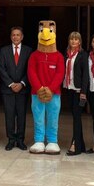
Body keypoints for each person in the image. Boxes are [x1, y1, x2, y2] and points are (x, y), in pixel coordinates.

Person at [28, 20, 65, 154]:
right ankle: (38, 140)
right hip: (36, 93)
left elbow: (60, 74)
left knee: (53, 117)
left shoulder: (59, 56)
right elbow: (31, 72)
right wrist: (39, 88)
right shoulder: (34, 56)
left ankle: (52, 141)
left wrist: (51, 89)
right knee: (38, 117)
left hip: (54, 94)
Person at [0, 26, 32, 150]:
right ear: (10, 36)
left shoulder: (28, 51)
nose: (15, 37)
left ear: (22, 37)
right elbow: (1, 69)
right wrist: (11, 84)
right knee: (9, 115)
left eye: (18, 35)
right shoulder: (4, 50)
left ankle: (20, 140)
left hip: (23, 89)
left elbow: (30, 69)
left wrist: (22, 83)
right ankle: (11, 140)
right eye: (13, 35)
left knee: (21, 115)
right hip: (8, 89)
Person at [63, 31, 89, 156]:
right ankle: (81, 145)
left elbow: (85, 75)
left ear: (80, 41)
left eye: (76, 39)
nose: (73, 41)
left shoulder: (83, 55)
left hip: (78, 90)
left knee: (77, 118)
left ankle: (75, 145)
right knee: (75, 117)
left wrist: (83, 92)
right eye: (71, 39)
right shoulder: (67, 54)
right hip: (69, 88)